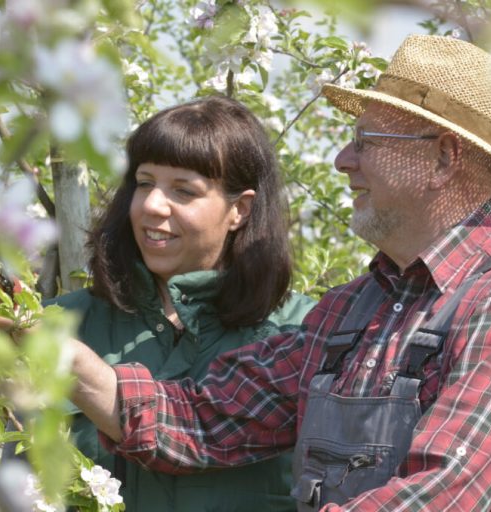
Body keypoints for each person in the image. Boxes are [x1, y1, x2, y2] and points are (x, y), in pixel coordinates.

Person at [70, 35, 491, 511]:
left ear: (443, 158)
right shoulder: (349, 310)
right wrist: (69, 362)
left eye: (365, 142)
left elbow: (446, 489)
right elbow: (210, 420)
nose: (342, 161)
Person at [48, 96, 316, 511]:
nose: (152, 205)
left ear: (239, 210)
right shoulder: (59, 325)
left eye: (183, 190)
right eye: (144, 182)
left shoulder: (304, 335)